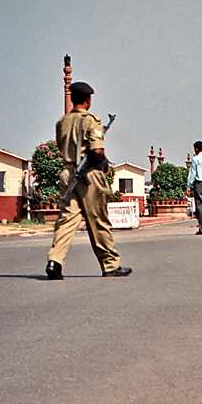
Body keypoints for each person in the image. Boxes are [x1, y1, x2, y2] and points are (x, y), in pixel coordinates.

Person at [45, 81, 131, 279]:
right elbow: (97, 151)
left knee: (67, 220)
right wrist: (104, 163)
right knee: (98, 219)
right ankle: (110, 264)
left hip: (68, 173)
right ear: (87, 100)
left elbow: (61, 146)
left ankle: (54, 261)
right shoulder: (91, 120)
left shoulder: (62, 122)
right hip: (89, 175)